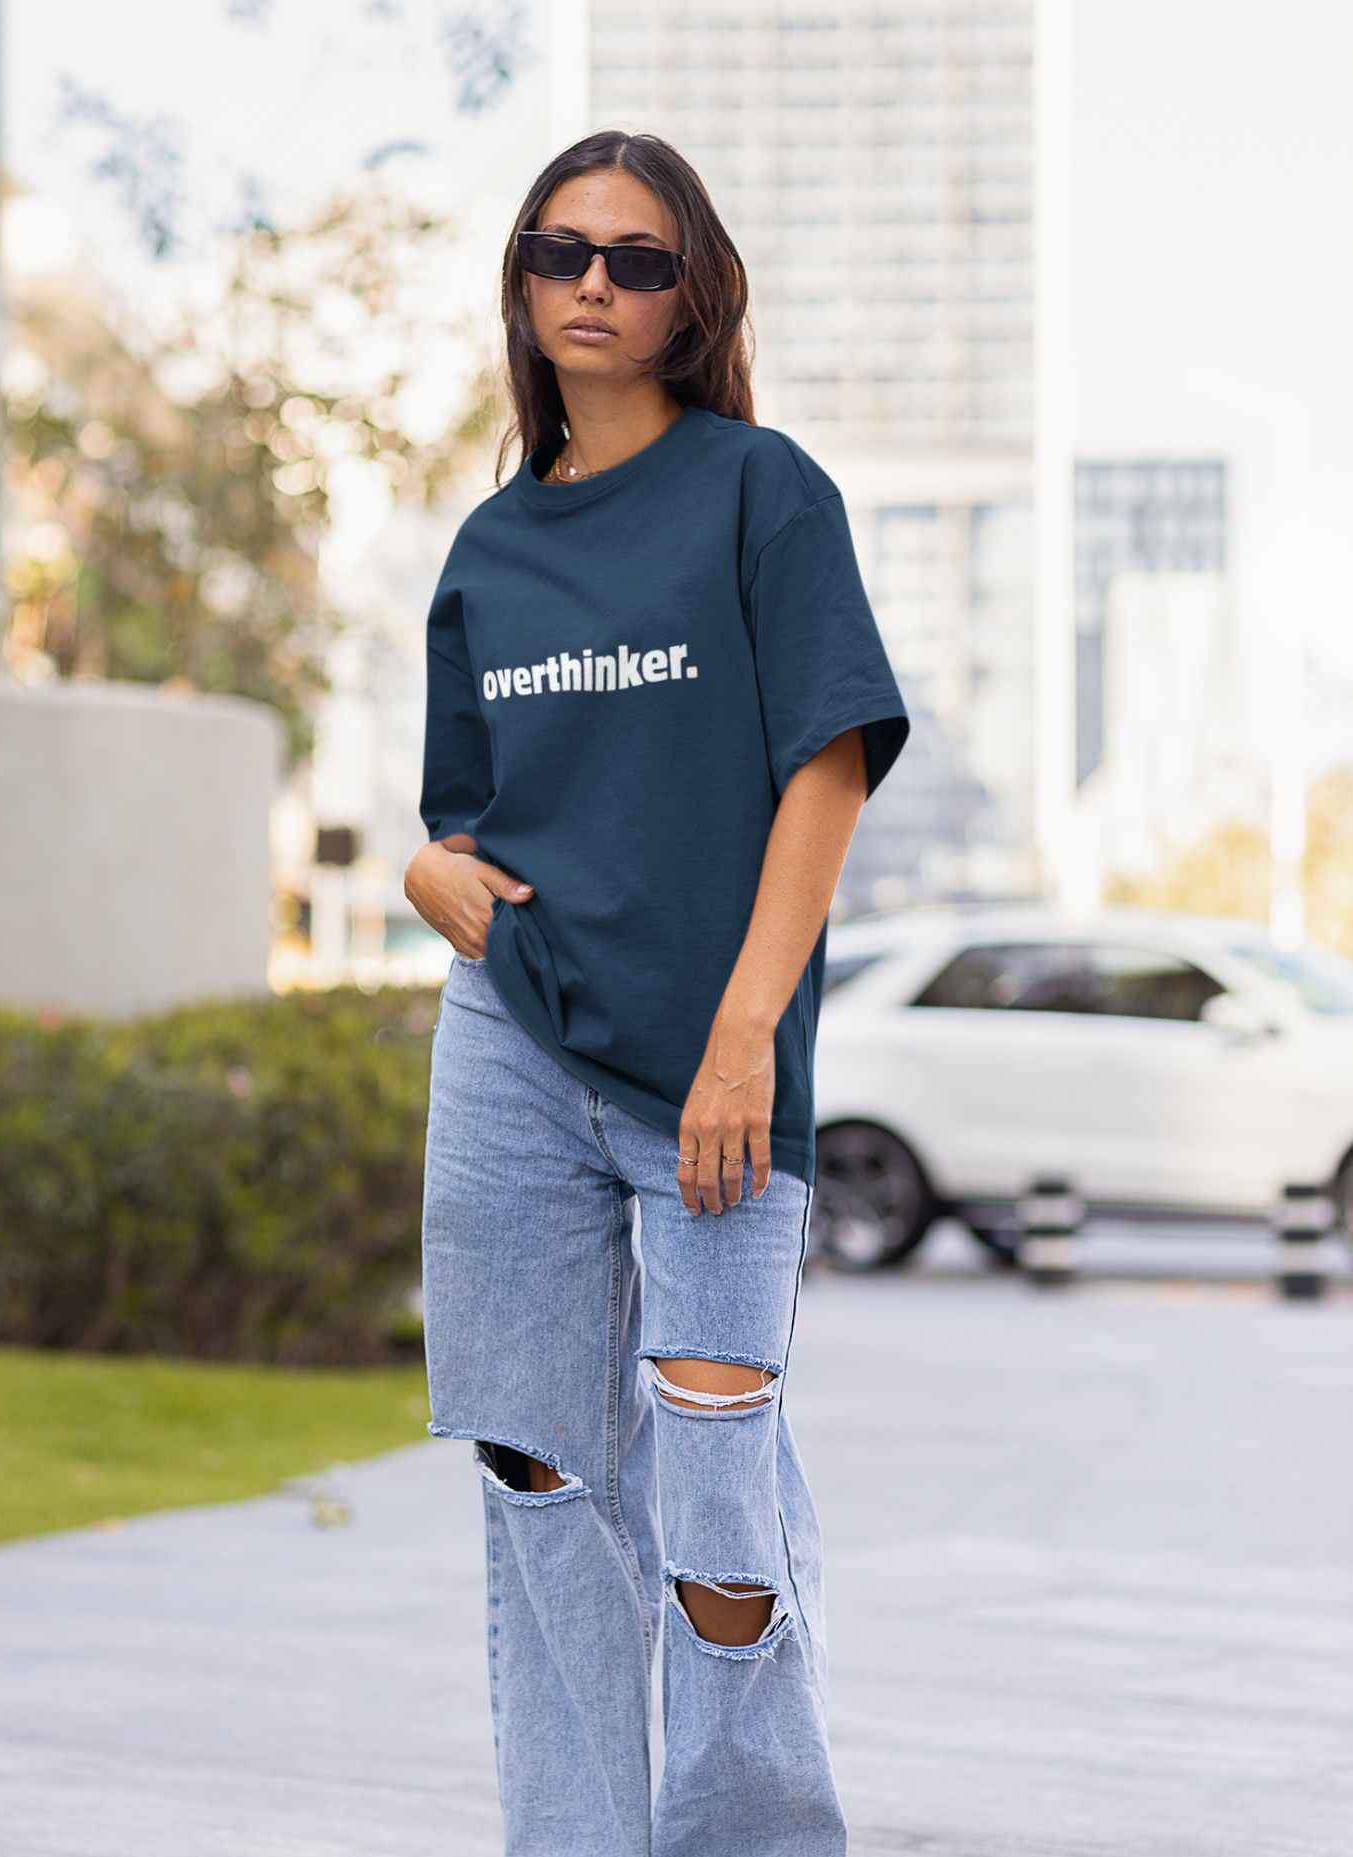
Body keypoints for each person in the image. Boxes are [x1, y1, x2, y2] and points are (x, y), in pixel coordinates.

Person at [405, 128, 907, 1857]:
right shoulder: (490, 548)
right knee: (535, 1469)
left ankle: (749, 1833)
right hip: (514, 1040)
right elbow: (466, 820)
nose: (594, 285)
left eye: (636, 259)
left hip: (716, 1054)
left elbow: (826, 765)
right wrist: (428, 876)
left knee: (715, 1486)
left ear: (694, 295)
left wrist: (746, 1034)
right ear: (522, 284)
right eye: (561, 252)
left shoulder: (764, 493)